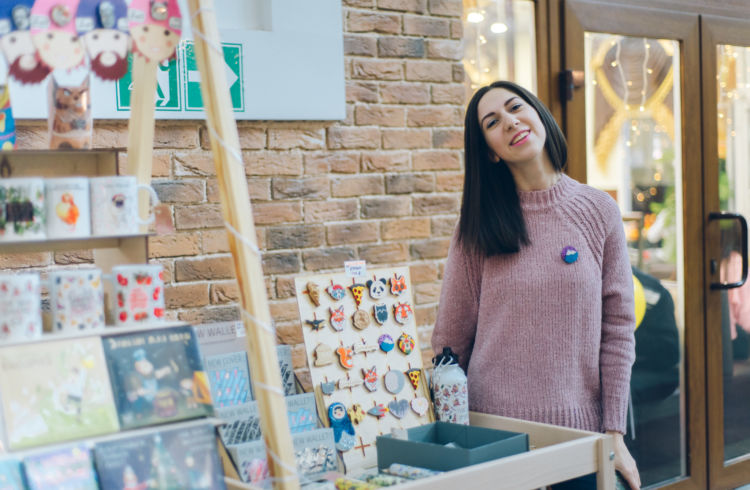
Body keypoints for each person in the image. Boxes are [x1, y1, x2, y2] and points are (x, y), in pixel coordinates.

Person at [431, 80, 640, 489]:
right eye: (493, 122)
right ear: (490, 150)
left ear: (539, 115)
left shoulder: (599, 211)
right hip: (494, 439)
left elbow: (618, 331)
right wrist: (454, 437)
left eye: (515, 108)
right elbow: (450, 344)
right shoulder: (477, 227)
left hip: (581, 437)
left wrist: (614, 432)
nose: (510, 122)